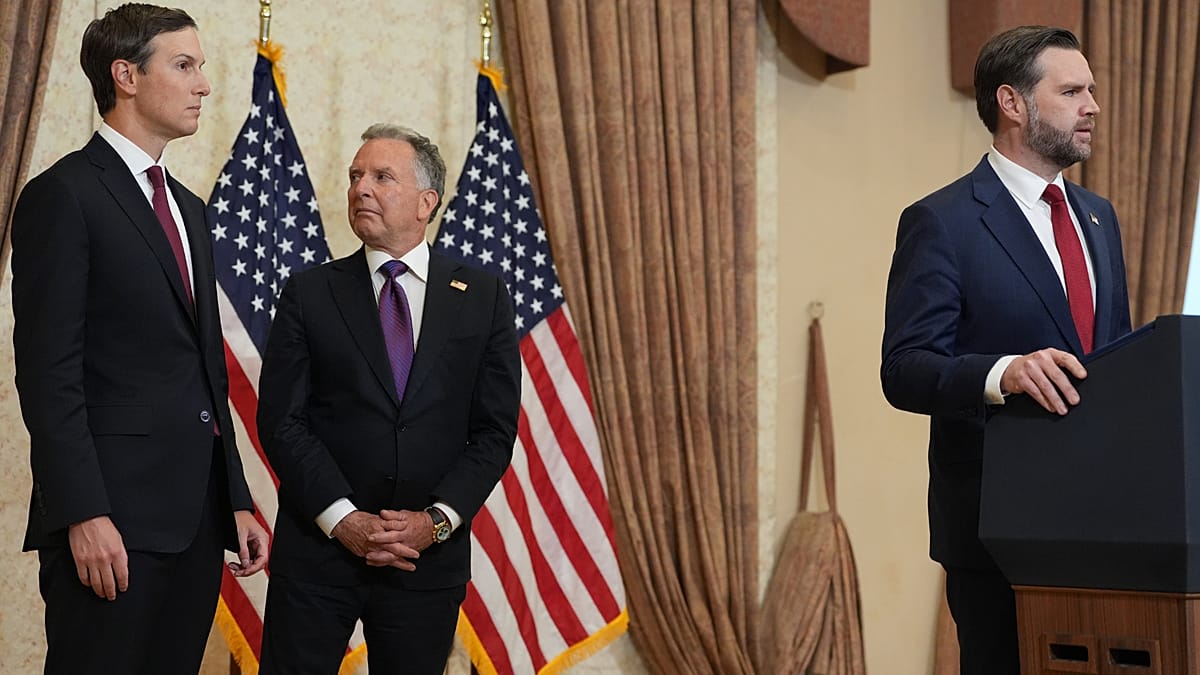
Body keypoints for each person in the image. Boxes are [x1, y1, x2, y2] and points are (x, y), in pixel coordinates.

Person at [9, 4, 269, 674]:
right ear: (125, 75)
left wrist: (234, 497)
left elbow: (206, 370)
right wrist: (82, 513)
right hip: (110, 524)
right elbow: (47, 373)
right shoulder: (62, 195)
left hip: (196, 523)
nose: (204, 84)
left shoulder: (190, 209)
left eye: (200, 67)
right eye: (184, 65)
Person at [880, 25, 1132, 673]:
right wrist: (1003, 373)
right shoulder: (944, 222)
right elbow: (905, 368)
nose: (1092, 106)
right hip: (997, 531)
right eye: (1071, 91)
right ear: (1012, 103)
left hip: (1107, 525)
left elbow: (1117, 360)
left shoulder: (1100, 218)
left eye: (1091, 90)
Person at [256, 123, 521, 675]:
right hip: (317, 555)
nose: (361, 188)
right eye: (356, 176)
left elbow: (493, 433)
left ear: (427, 202)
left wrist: (437, 521)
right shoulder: (308, 293)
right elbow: (282, 421)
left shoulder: (483, 297)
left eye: (382, 177)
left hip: (425, 563)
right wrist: (343, 519)